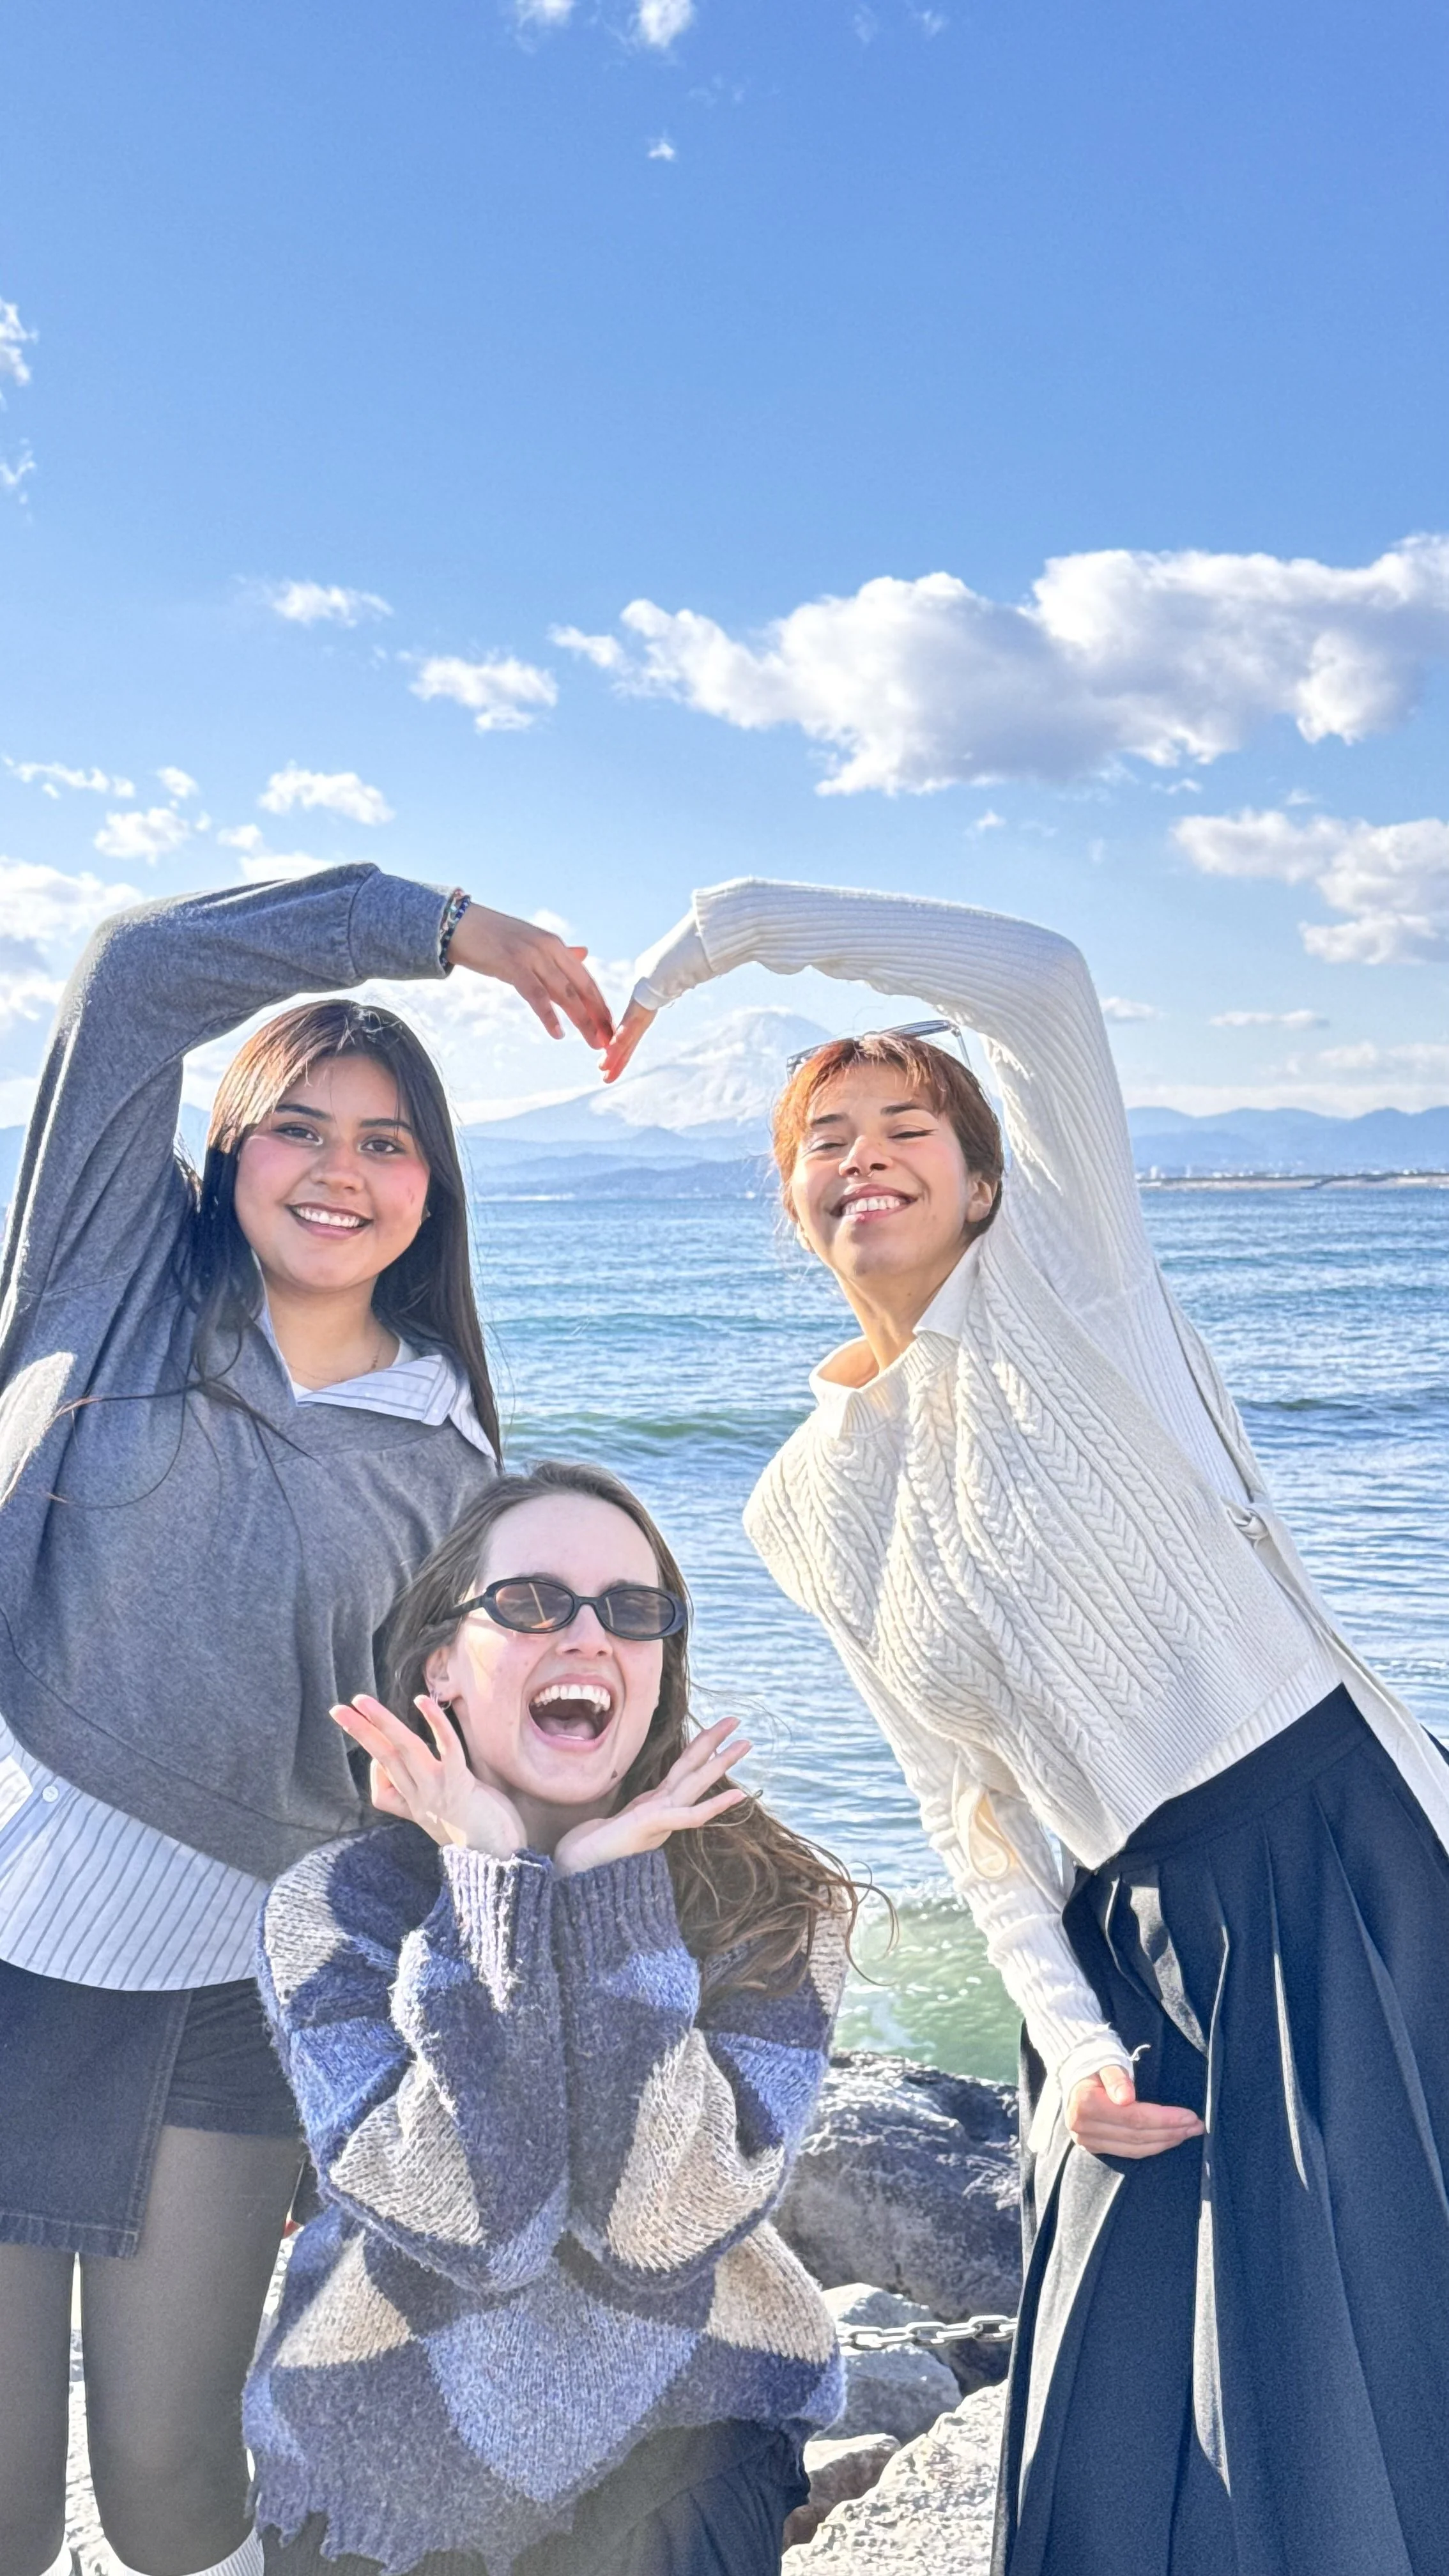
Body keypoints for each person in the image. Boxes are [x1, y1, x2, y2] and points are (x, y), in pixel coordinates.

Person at [604, 875, 1449, 2576]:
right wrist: (1066, 2042)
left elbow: (1045, 979)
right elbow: (965, 1808)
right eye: (821, 1138)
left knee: (1369, 2351)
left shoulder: (1074, 1291)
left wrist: (738, 930)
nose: (863, 1157)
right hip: (1123, 1935)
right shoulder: (800, 1500)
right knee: (1113, 2412)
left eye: (904, 1123)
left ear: (985, 1177)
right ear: (788, 1203)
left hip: (1331, 1864)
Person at [0, 864, 614, 2576]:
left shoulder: (453, 1460)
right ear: (224, 1153)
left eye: (387, 1141)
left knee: (167, 2488)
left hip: (230, 2005)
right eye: (300, 1128)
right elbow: (128, 970)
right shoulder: (107, 1286)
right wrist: (444, 930)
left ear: (434, 1190)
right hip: (8, 1960)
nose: (342, 1172)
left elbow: (453, 1788)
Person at [247, 1457, 853, 2576]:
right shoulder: (337, 1910)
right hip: (384, 2441)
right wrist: (493, 1881)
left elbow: (658, 2231)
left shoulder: (774, 1906)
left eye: (632, 1611)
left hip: (689, 2421)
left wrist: (611, 1902)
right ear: (444, 1661)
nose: (587, 1635)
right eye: (530, 1602)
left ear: (659, 1666)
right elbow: (478, 2225)